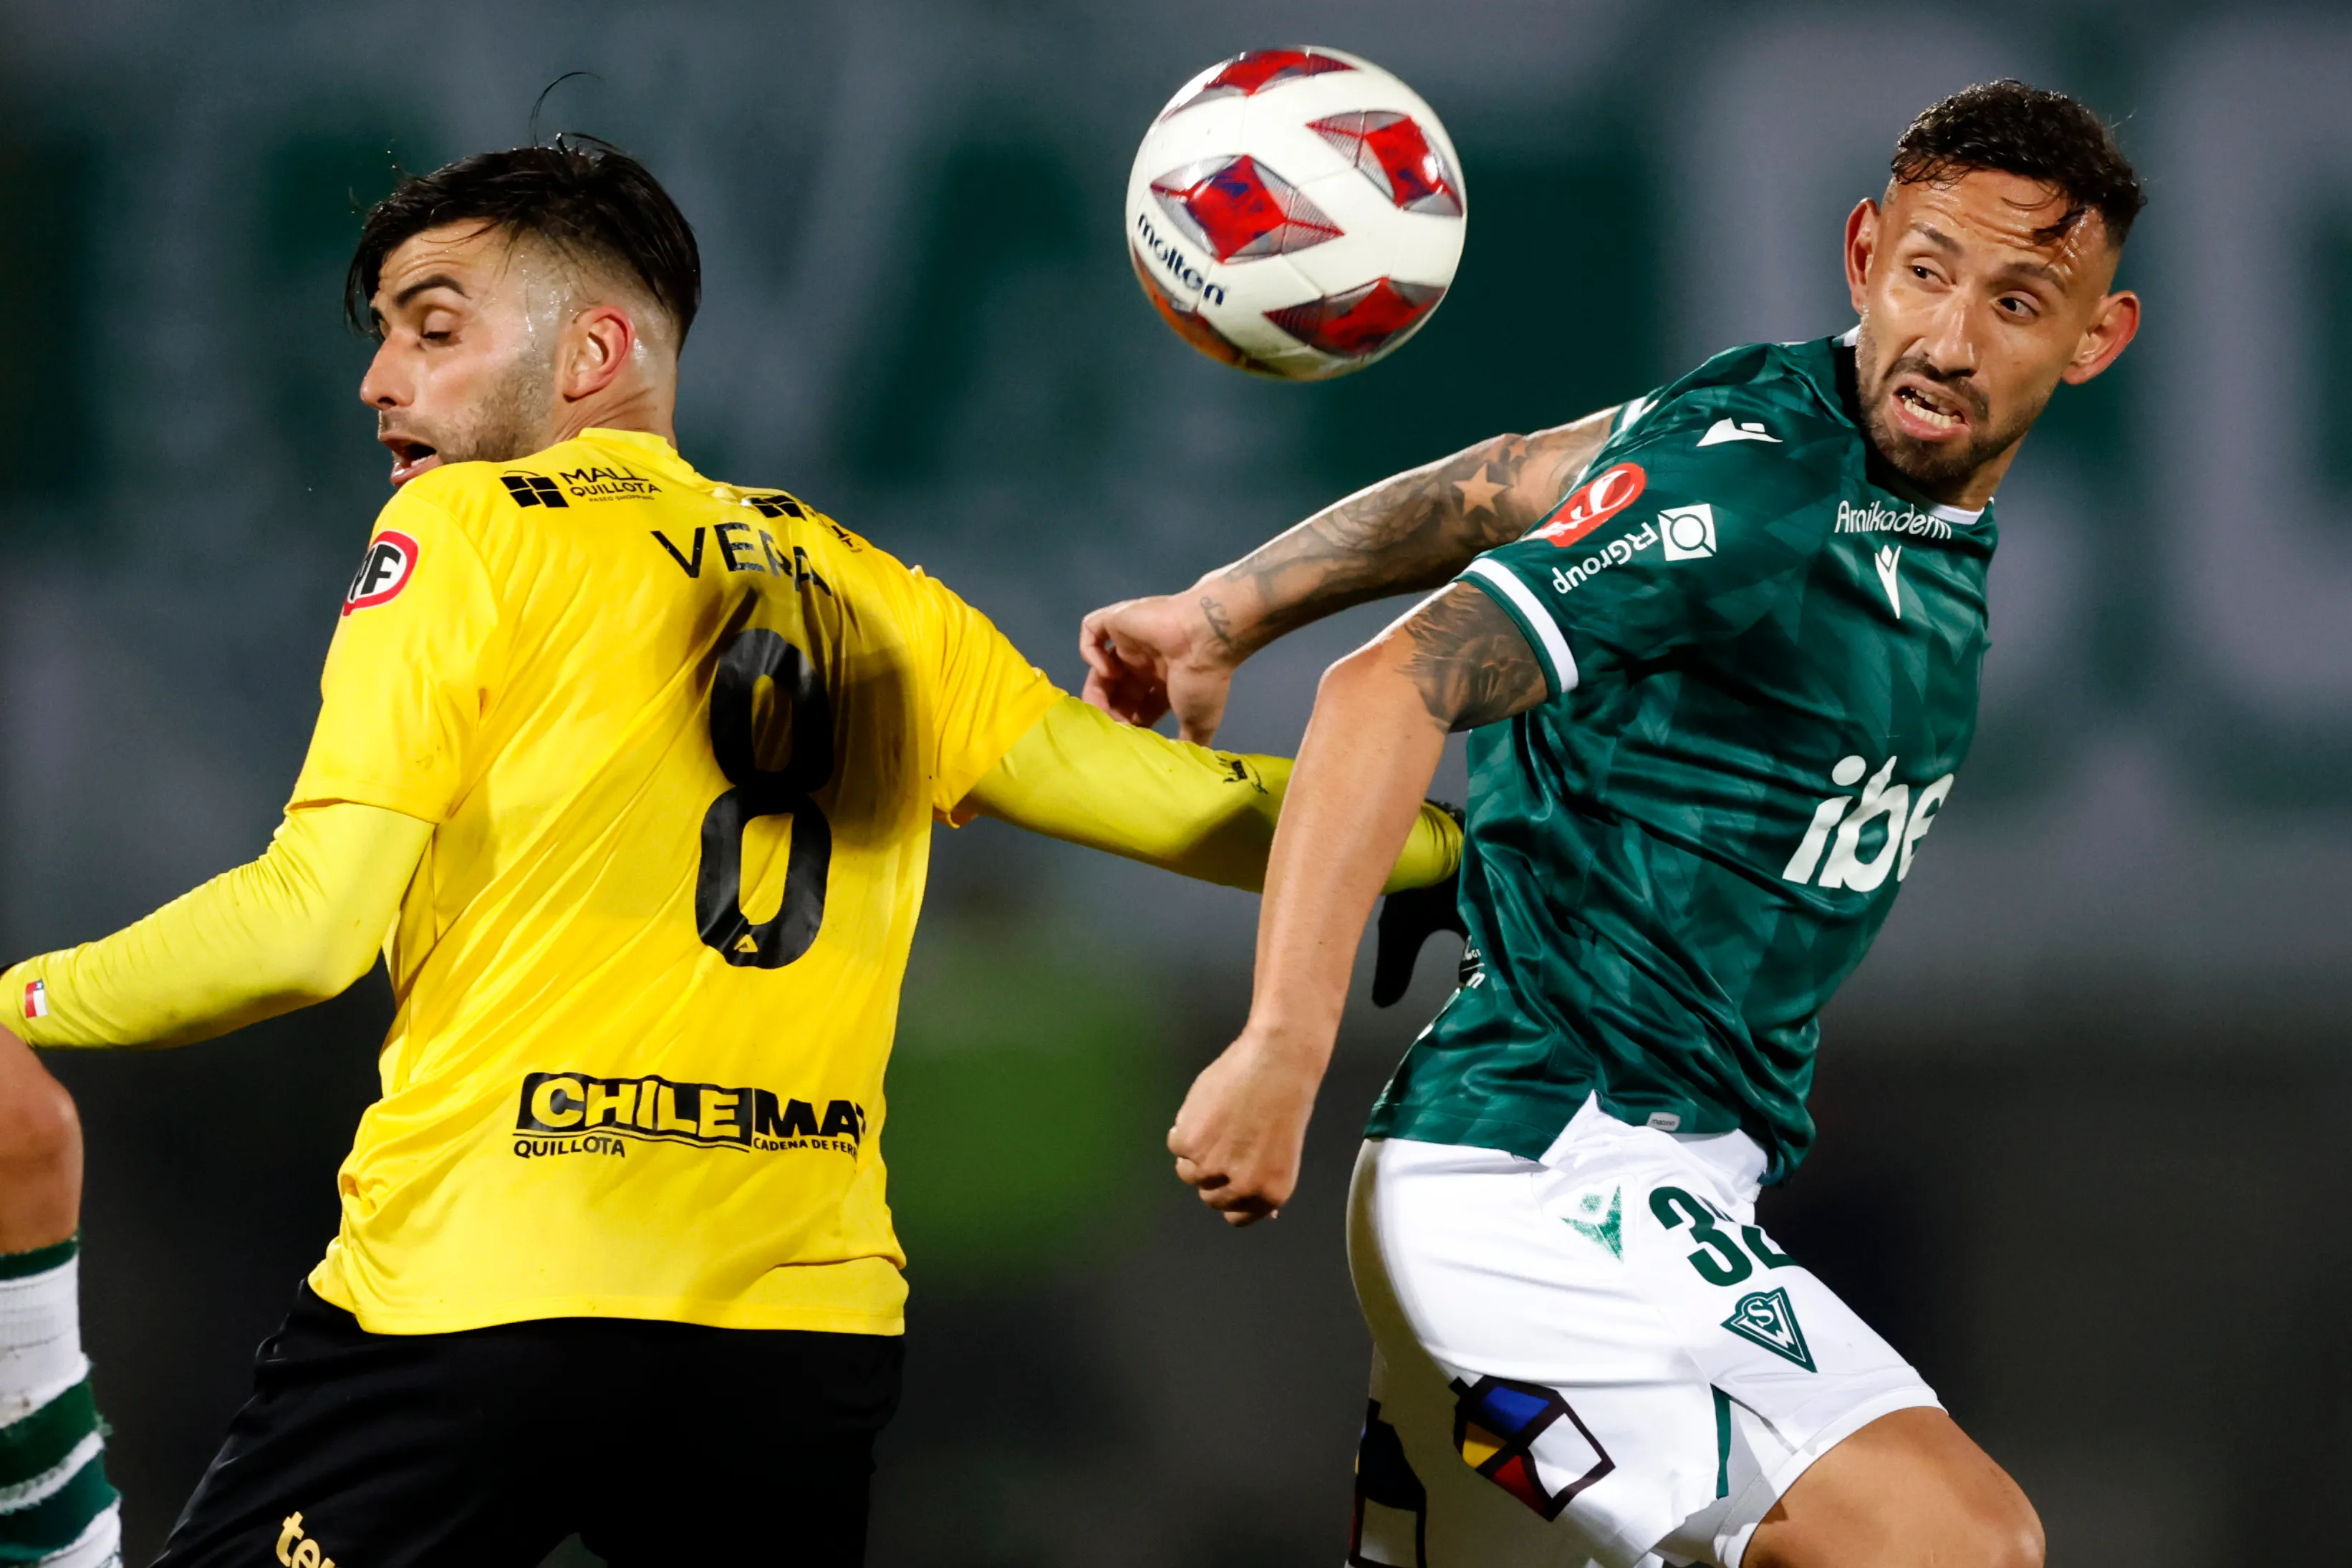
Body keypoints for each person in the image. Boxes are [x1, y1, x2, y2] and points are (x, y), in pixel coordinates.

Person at [0, 137, 1460, 1568]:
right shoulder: (879, 590)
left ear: (591, 355)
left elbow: (305, 930)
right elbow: (1195, 809)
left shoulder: (464, 531)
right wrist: (1477, 839)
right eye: (382, 337)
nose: (381, 380)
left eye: (431, 329)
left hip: (486, 1294)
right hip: (790, 1340)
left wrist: (20, 1004)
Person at [1080, 81, 2141, 1568]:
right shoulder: (1764, 480)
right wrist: (1281, 1046)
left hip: (1606, 1185)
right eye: (1925, 275)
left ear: (2097, 339)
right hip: (1556, 1182)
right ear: (1860, 256)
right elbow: (1389, 690)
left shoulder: (1772, 439)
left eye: (2018, 302)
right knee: (1954, 1542)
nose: (1951, 340)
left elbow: (1495, 482)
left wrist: (1221, 608)